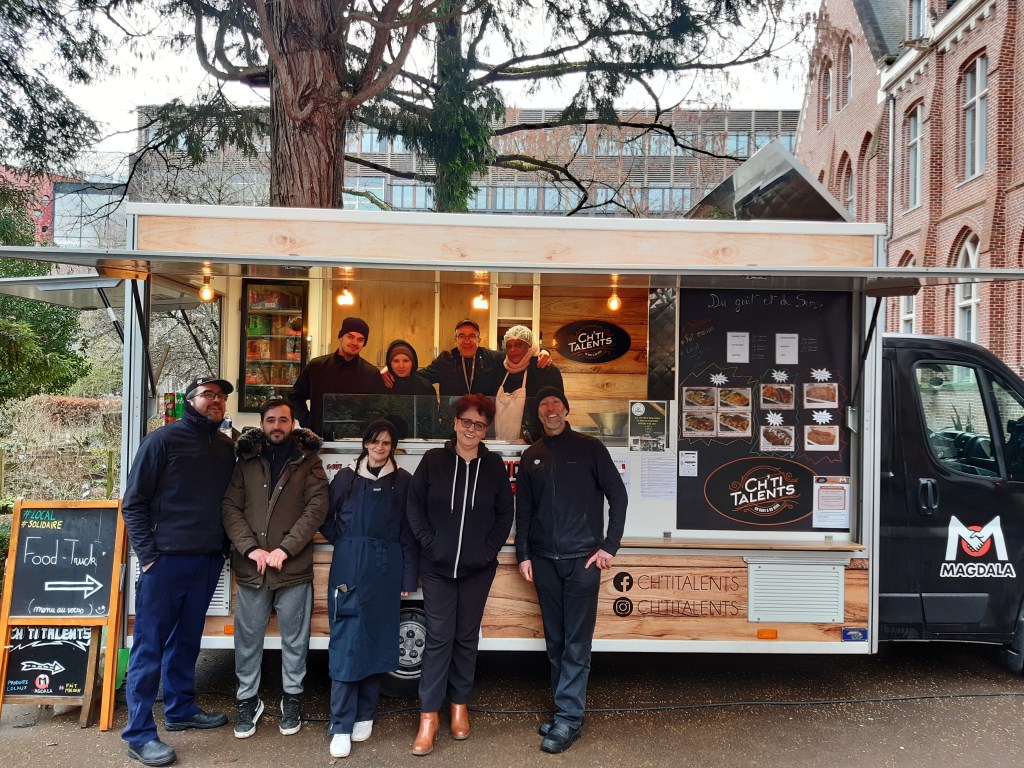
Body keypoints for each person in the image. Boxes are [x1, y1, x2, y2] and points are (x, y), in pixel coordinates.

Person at [121, 375, 237, 767]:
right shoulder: (161, 441)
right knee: (149, 647)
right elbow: (133, 502)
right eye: (208, 395)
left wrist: (221, 549)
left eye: (221, 397)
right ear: (189, 400)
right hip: (164, 562)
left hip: (207, 561)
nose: (216, 401)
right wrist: (148, 556)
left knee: (186, 642)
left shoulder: (226, 447)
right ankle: (139, 734)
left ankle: (180, 709)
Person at [514, 386, 628, 754]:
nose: (551, 409)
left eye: (556, 403)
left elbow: (618, 495)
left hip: (582, 561)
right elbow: (524, 511)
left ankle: (568, 718)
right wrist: (523, 554)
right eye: (544, 405)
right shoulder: (531, 455)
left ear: (566, 409)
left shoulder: (590, 448)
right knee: (556, 643)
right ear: (538, 413)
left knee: (576, 644)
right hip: (544, 561)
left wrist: (609, 546)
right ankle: (566, 709)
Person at [406, 394, 514, 755]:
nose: (471, 429)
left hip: (477, 570)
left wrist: (487, 551)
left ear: (486, 430)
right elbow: (414, 505)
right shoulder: (433, 460)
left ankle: (458, 706)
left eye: (479, 425)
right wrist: (430, 543)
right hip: (437, 568)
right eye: (466, 422)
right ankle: (428, 716)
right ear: (455, 423)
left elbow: (505, 513)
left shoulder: (494, 465)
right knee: (439, 639)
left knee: (466, 639)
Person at [221, 399, 329, 740]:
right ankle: (247, 701)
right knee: (247, 639)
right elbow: (230, 507)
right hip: (252, 567)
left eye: (283, 420)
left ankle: (292, 699)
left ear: (292, 424)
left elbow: (317, 507)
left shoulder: (308, 461)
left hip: (292, 566)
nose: (277, 426)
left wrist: (285, 549)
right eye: (271, 420)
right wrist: (250, 548)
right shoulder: (245, 461)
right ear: (262, 424)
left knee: (295, 640)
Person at [320, 419, 418, 759]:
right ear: (365, 443)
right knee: (347, 642)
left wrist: (408, 578)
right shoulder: (345, 478)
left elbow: (408, 532)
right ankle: (341, 724)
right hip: (349, 564)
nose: (380, 448)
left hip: (386, 568)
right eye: (375, 441)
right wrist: (346, 542)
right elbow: (324, 517)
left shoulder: (403, 481)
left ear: (393, 448)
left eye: (386, 443)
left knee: (378, 638)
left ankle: (365, 714)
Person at [289, 316, 385, 438]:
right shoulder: (316, 366)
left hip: (356, 441)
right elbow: (295, 397)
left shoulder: (371, 374)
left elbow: (379, 410)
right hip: (319, 439)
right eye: (350, 337)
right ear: (340, 337)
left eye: (360, 339)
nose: (355, 343)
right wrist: (308, 422)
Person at [493, 325, 564, 443]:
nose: (513, 350)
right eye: (509, 346)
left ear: (529, 346)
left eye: (518, 344)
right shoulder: (500, 369)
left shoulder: (545, 370)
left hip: (535, 445)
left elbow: (556, 410)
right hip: (501, 445)